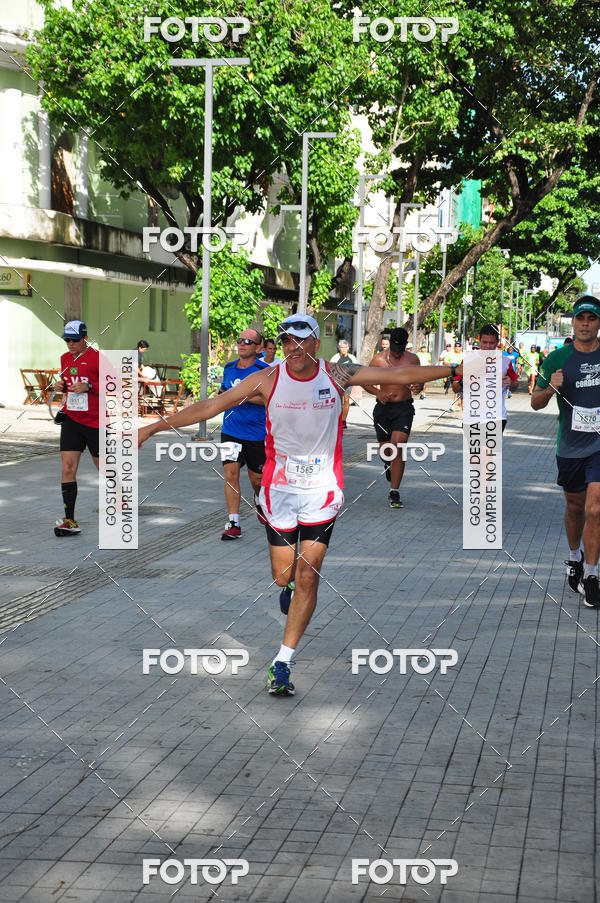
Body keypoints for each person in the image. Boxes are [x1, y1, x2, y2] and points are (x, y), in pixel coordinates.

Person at [138, 314, 461, 695]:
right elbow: (210, 406)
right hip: (279, 492)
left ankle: (282, 662)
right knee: (284, 575)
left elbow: (402, 378)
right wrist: (153, 427)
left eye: (299, 341)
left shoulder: (337, 374)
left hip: (322, 492)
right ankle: (288, 588)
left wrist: (455, 368)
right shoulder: (267, 380)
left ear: (314, 343)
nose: (292, 348)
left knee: (309, 574)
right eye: (286, 342)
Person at [531, 295, 600, 608]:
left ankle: (591, 575)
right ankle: (575, 557)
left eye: (592, 319)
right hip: (570, 445)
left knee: (595, 509)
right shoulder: (557, 359)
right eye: (581, 319)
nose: (585, 324)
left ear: (598, 324)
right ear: (573, 322)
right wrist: (550, 388)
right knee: (575, 508)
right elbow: (535, 402)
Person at [362, 327, 422, 509]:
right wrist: (378, 392)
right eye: (393, 350)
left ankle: (394, 492)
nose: (396, 354)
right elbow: (364, 380)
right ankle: (388, 463)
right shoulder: (379, 359)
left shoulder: (413, 360)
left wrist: (418, 387)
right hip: (383, 409)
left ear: (405, 346)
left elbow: (421, 382)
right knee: (386, 451)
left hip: (403, 408)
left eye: (399, 350)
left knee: (398, 447)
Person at [219, 328, 269, 540]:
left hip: (256, 434)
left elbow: (269, 399)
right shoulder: (229, 368)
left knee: (257, 479)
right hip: (230, 431)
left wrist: (243, 397)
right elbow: (223, 394)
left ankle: (259, 500)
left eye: (248, 341)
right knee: (231, 475)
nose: (242, 344)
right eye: (240, 340)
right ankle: (233, 522)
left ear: (258, 347)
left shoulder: (264, 370)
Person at [53, 321, 99, 536]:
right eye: (67, 340)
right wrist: (60, 386)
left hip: (96, 423)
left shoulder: (98, 358)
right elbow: (65, 382)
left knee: (105, 470)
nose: (70, 344)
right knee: (68, 468)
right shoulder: (65, 359)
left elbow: (117, 385)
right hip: (72, 420)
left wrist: (90, 386)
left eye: (74, 340)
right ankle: (69, 519)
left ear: (85, 337)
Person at [454, 324, 518, 431]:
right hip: (472, 417)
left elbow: (515, 386)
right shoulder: (468, 359)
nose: (488, 346)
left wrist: (511, 383)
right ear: (479, 341)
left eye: (491, 343)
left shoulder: (505, 361)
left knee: (488, 448)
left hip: (497, 417)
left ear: (497, 343)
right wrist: (462, 381)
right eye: (484, 342)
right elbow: (455, 388)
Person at [330, 339, 358, 428]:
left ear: (348, 348)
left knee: (346, 400)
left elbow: (356, 370)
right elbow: (331, 369)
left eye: (345, 347)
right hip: (338, 382)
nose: (343, 349)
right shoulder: (335, 358)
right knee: (338, 401)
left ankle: (343, 420)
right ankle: (337, 420)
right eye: (341, 347)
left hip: (348, 382)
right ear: (339, 348)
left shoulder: (352, 358)